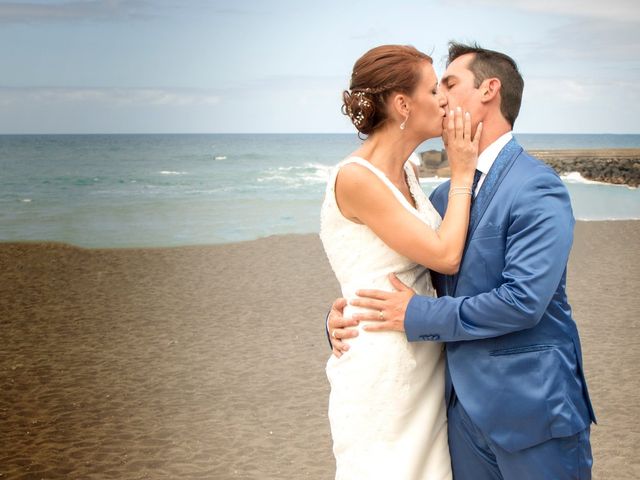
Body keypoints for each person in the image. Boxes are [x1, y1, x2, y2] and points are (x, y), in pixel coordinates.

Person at [328, 42, 596, 479]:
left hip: (533, 411)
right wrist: (344, 315)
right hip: (453, 415)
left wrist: (418, 313)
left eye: (449, 84)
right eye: (435, 88)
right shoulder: (438, 198)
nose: (441, 98)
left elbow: (523, 301)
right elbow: (405, 274)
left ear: (490, 90)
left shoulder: (537, 187)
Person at [320, 44, 482, 480]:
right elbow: (446, 256)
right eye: (434, 89)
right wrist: (462, 172)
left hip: (422, 353)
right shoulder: (356, 178)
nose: (445, 98)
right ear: (402, 104)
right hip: (383, 368)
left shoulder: (407, 171)